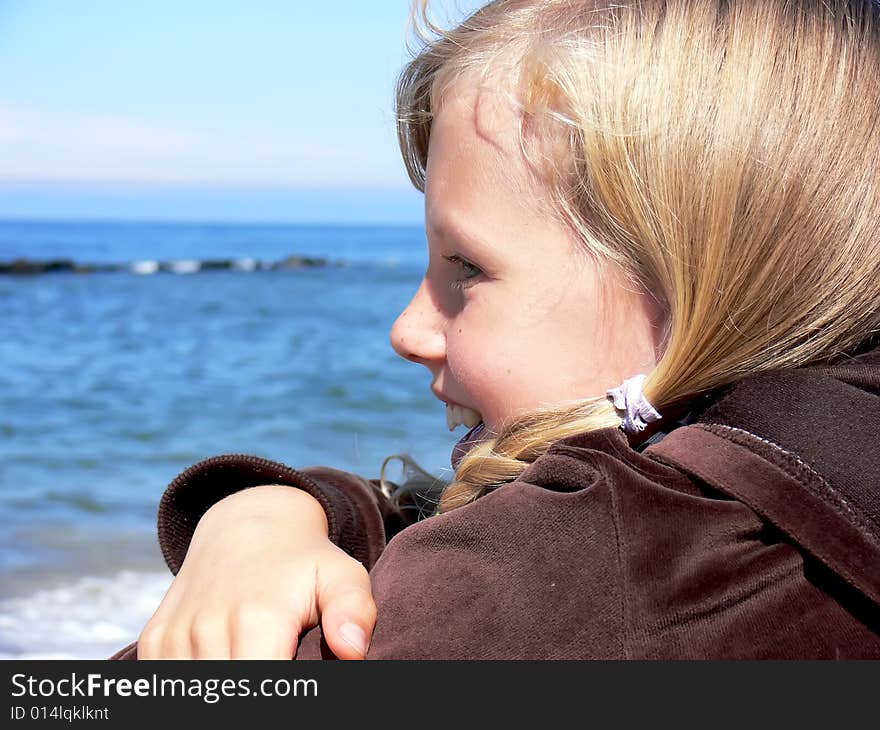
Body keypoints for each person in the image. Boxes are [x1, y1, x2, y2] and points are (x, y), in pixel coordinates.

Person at [111, 0, 880, 660]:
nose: (408, 330)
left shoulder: (593, 576)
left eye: (467, 268)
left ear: (701, 288)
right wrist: (279, 512)